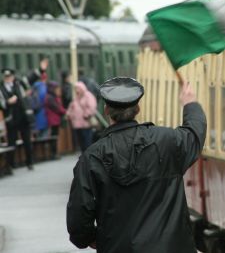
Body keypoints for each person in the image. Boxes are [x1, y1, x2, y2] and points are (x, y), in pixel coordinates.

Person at [66, 77, 207, 253]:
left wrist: (92, 239)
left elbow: (78, 218)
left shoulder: (91, 158)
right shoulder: (167, 142)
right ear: (138, 109)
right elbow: (194, 135)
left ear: (107, 110)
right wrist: (190, 104)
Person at [0, 69, 34, 170]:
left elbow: (29, 83)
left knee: (27, 141)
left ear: (13, 76)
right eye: (6, 77)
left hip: (23, 117)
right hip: (11, 118)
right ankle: (11, 164)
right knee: (11, 142)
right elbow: (1, 103)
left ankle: (30, 162)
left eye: (9, 76)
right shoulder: (1, 88)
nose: (8, 79)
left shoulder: (19, 84)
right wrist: (7, 102)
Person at [66, 81, 97, 152]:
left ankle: (88, 155)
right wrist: (68, 114)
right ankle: (84, 155)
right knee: (81, 142)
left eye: (78, 88)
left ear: (82, 88)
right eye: (75, 88)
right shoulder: (76, 98)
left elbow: (92, 106)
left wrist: (87, 114)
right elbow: (71, 107)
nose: (76, 90)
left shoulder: (88, 95)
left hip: (86, 123)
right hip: (77, 124)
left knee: (87, 141)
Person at [44, 81, 66, 157]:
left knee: (55, 137)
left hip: (55, 120)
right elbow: (56, 108)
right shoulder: (49, 97)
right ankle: (53, 153)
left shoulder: (52, 96)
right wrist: (65, 111)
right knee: (53, 137)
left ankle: (54, 152)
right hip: (52, 120)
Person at [32, 58, 50, 137]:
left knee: (38, 137)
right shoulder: (43, 88)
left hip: (35, 116)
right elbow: (45, 100)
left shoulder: (34, 87)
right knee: (44, 136)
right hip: (43, 114)